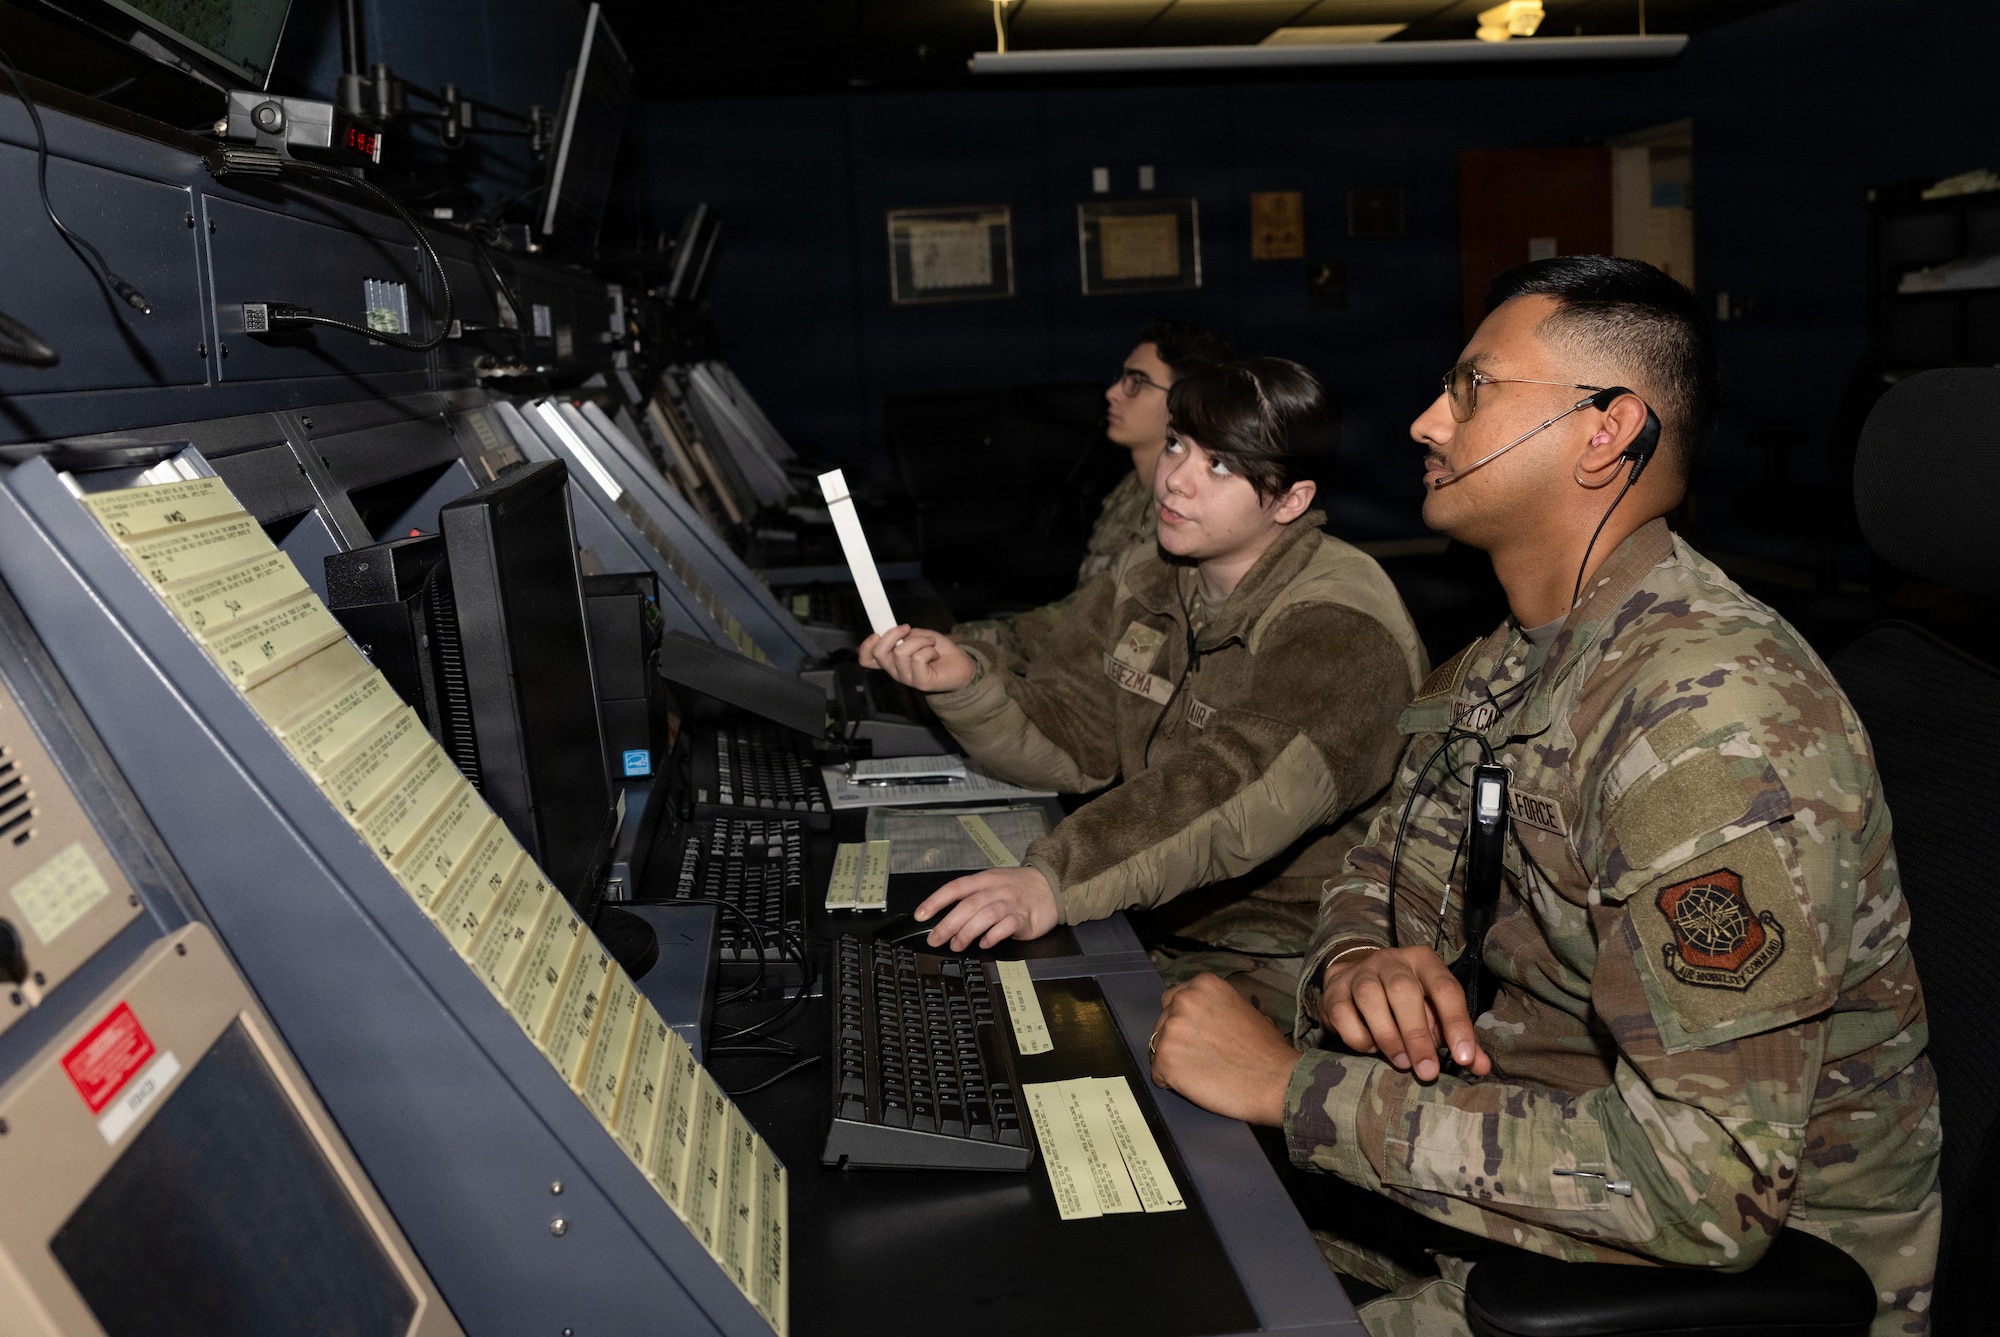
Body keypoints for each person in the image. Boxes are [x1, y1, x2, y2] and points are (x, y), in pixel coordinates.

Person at [1147, 256, 1939, 1337]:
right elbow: (1378, 871)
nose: (1427, 422)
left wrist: (1294, 1090)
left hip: (1701, 1282)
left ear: (1604, 430)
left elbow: (1707, 1191)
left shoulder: (1706, 721)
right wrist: (1357, 965)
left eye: (1471, 389)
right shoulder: (1509, 658)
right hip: (1534, 1162)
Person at [860, 358, 1428, 1028]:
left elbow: (1228, 789)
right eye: (1180, 444)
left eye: (1221, 465)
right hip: (1161, 912)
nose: (1176, 478)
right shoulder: (1154, 577)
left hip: (1292, 947)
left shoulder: (1339, 627)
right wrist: (969, 686)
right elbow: (1077, 733)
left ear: (1291, 500)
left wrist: (1054, 878)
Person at [954, 320, 1235, 663]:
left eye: (1137, 383)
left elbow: (1100, 628)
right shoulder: (1129, 488)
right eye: (1122, 378)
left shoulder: (1184, 510)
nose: (1113, 392)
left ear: (1187, 402)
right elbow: (1086, 607)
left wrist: (966, 643)